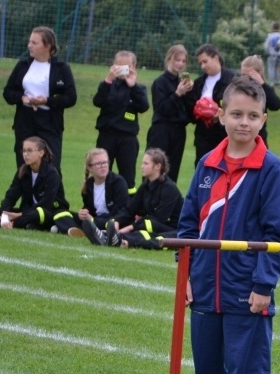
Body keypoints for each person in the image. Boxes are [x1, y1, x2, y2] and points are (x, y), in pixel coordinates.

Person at [174, 76, 280, 374]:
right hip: (205, 285)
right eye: (237, 114)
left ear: (263, 120)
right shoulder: (206, 165)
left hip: (247, 291)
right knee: (207, 367)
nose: (244, 122)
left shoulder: (271, 170)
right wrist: (186, 273)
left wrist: (264, 285)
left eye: (253, 116)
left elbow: (277, 236)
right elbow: (188, 226)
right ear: (221, 115)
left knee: (247, 370)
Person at [2, 26, 76, 175]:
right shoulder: (23, 66)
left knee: (52, 167)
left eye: (34, 43)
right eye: (30, 42)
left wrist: (47, 101)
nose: (29, 46)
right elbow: (8, 92)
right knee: (25, 166)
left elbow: (71, 97)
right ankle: (27, 198)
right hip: (25, 121)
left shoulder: (61, 68)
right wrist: (22, 98)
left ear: (48, 46)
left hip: (49, 123)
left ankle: (53, 198)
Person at [82, 148, 182, 250]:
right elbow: (130, 208)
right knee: (141, 227)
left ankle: (111, 237)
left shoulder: (169, 188)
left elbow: (159, 219)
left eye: (145, 164)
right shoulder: (146, 186)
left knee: (146, 230)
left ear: (157, 166)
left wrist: (130, 227)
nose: (141, 166)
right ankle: (106, 236)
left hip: (173, 229)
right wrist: (117, 221)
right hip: (155, 225)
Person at [0, 136, 76, 232]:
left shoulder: (51, 173)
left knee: (37, 214)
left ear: (41, 153)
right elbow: (10, 196)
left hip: (49, 212)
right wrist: (5, 213)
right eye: (24, 151)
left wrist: (19, 215)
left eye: (30, 151)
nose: (26, 154)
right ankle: (19, 224)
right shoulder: (23, 171)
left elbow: (45, 204)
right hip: (27, 211)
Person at [93, 50, 150, 196]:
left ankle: (128, 209)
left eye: (128, 66)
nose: (124, 70)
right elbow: (98, 101)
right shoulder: (108, 85)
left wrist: (133, 86)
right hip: (107, 135)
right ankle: (101, 205)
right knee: (102, 173)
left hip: (127, 138)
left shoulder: (138, 88)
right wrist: (108, 80)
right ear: (114, 66)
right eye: (120, 66)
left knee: (128, 176)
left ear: (134, 67)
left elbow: (144, 106)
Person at [145, 44, 194, 184]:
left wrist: (190, 94)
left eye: (183, 61)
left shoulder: (182, 82)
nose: (180, 64)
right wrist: (177, 94)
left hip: (178, 131)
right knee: (155, 168)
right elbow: (161, 109)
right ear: (169, 59)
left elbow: (189, 111)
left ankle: (168, 203)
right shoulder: (160, 82)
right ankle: (148, 202)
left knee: (172, 171)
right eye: (177, 60)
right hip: (161, 130)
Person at [186, 44, 236, 167]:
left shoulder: (233, 79)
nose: (203, 66)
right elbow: (190, 112)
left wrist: (218, 115)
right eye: (200, 63)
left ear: (216, 58)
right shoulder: (198, 83)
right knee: (203, 171)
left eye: (205, 61)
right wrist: (198, 111)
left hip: (225, 135)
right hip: (203, 136)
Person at [75, 147, 129, 234]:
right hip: (97, 219)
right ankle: (83, 229)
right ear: (90, 167)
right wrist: (84, 212)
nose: (103, 166)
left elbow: (119, 211)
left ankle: (90, 230)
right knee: (65, 215)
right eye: (98, 164)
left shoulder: (118, 182)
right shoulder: (89, 184)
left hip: (114, 219)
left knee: (109, 223)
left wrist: (93, 220)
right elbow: (89, 207)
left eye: (105, 162)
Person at [240, 55, 280, 147]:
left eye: (249, 76)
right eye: (243, 75)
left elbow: (276, 105)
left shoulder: (265, 90)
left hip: (258, 138)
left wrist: (262, 84)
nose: (245, 79)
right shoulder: (237, 89)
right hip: (239, 136)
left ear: (259, 74)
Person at [263, 22, 280, 86]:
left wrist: (267, 51)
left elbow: (266, 46)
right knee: (277, 68)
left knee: (271, 68)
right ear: (279, 28)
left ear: (272, 28)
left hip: (272, 54)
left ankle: (271, 81)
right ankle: (277, 81)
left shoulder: (270, 36)